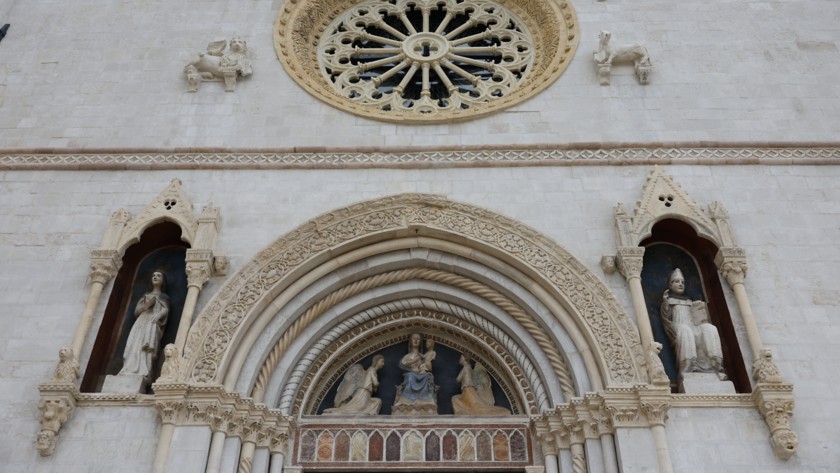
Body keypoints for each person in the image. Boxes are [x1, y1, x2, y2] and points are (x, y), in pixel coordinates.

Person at [660, 268, 723, 375]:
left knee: (710, 328)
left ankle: (715, 364)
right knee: (685, 330)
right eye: (677, 281)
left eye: (682, 282)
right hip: (678, 327)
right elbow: (666, 317)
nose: (680, 284)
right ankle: (689, 364)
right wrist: (665, 303)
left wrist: (699, 308)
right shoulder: (669, 301)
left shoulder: (689, 301)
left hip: (693, 325)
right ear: (670, 285)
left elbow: (700, 319)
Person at [118, 270, 170, 378]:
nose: (155, 277)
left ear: (163, 280)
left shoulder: (163, 297)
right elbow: (137, 311)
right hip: (141, 321)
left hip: (153, 323)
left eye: (158, 276)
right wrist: (146, 305)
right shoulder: (146, 295)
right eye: (154, 275)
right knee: (135, 343)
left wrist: (159, 315)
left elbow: (166, 309)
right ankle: (129, 368)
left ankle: (145, 370)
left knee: (148, 346)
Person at [393, 333, 437, 410]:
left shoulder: (422, 356)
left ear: (420, 342)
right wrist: (412, 363)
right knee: (411, 376)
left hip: (420, 373)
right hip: (411, 374)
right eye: (414, 339)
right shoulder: (407, 356)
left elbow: (427, 367)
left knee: (427, 376)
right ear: (410, 341)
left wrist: (426, 363)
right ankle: (407, 400)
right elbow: (401, 365)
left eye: (418, 339)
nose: (416, 340)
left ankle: (426, 400)